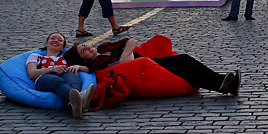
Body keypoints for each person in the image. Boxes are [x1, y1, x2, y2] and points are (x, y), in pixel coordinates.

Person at [64, 38, 240, 96]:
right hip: (145, 69)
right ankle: (222, 83)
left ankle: (223, 84)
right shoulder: (97, 64)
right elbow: (125, 62)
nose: (87, 47)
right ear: (83, 59)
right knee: (183, 66)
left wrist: (126, 55)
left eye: (85, 45)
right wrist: (127, 55)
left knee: (183, 67)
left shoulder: (105, 48)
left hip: (147, 61)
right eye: (83, 51)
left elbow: (130, 41)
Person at [27, 32, 96, 118]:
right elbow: (32, 73)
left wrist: (78, 66)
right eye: (52, 38)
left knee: (73, 79)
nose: (55, 41)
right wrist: (52, 69)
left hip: (64, 74)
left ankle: (76, 105)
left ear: (62, 47)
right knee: (56, 81)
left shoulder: (66, 58)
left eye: (60, 40)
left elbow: (89, 69)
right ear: (46, 43)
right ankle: (81, 98)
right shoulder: (36, 56)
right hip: (44, 78)